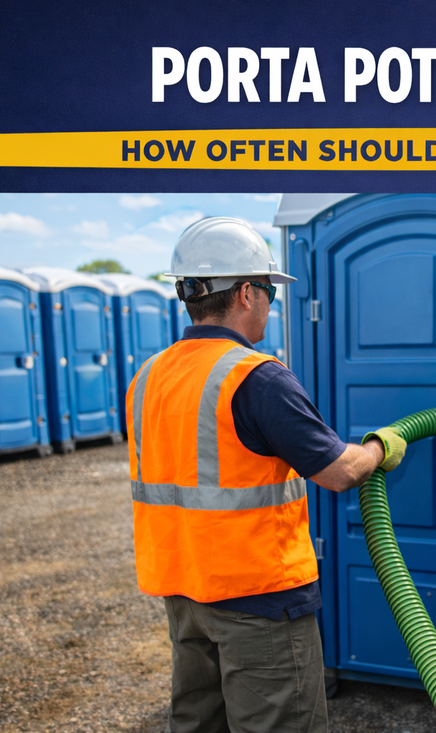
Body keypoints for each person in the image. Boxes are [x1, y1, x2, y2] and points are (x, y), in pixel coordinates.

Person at [126, 217, 406, 733]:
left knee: (197, 722)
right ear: (248, 293)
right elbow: (339, 473)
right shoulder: (254, 376)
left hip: (184, 592)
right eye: (270, 295)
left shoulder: (150, 374)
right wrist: (381, 446)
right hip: (257, 599)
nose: (271, 308)